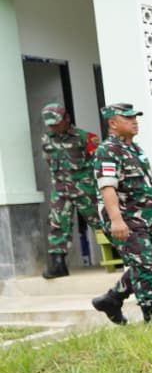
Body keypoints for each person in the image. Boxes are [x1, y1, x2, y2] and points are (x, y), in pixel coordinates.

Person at [91, 102, 152, 326]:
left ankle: (112, 299)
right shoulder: (107, 151)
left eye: (135, 117)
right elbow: (107, 187)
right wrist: (117, 220)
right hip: (126, 219)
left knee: (151, 263)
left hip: (144, 219)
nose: (134, 121)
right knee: (145, 265)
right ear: (113, 123)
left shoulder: (135, 149)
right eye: (128, 118)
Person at [39, 102, 98, 279]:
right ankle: (58, 265)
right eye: (50, 124)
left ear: (67, 118)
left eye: (56, 123)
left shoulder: (85, 137)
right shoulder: (47, 139)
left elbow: (98, 163)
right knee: (57, 224)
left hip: (84, 189)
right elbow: (49, 161)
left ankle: (126, 256)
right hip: (60, 190)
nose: (53, 127)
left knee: (101, 221)